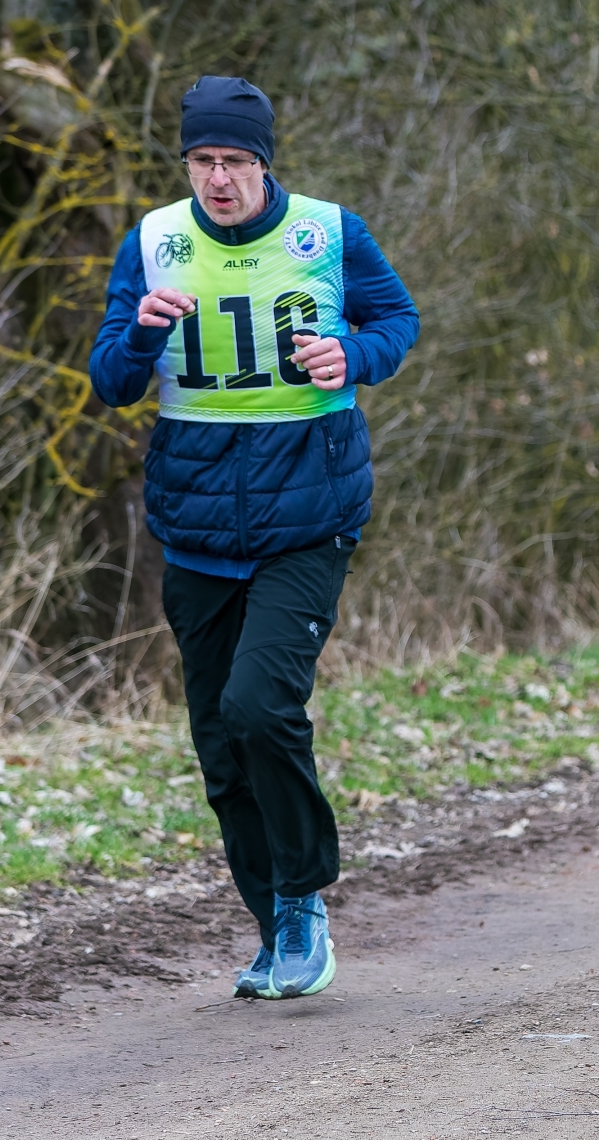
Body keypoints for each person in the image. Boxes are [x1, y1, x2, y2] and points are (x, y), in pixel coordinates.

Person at [90, 76, 419, 1000]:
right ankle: (272, 914)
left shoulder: (327, 232)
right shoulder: (155, 241)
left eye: (235, 161)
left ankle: (305, 895)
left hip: (308, 520)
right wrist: (140, 338)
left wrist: (351, 356)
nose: (219, 179)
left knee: (259, 708)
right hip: (194, 530)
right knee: (218, 743)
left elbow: (398, 321)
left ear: (265, 163)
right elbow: (110, 379)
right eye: (203, 161)